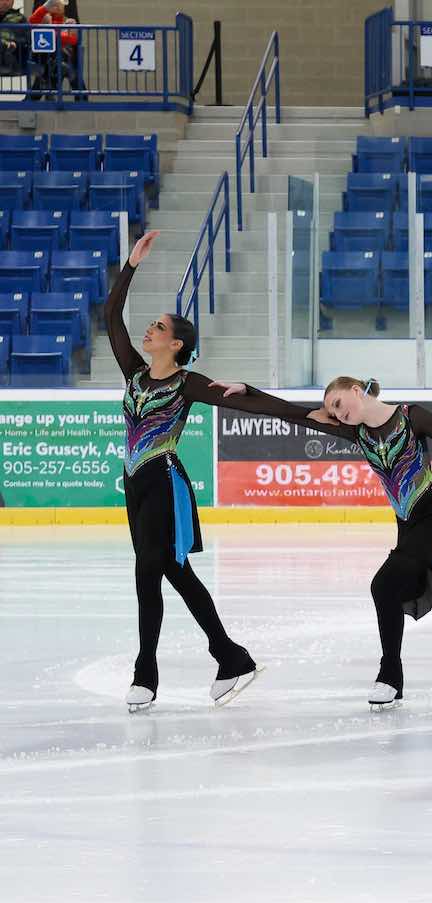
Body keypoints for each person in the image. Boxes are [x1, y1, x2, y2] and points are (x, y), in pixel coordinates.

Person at [209, 376, 432, 710]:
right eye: (333, 410)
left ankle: (390, 675)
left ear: (356, 390)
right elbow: (288, 413)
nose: (339, 413)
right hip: (410, 524)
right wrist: (248, 391)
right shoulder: (357, 434)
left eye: (339, 402)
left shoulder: (410, 416)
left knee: (385, 584)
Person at [108, 232, 287, 713]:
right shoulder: (135, 374)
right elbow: (111, 317)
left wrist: (307, 413)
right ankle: (230, 657)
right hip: (136, 486)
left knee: (149, 571)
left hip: (165, 481)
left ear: (177, 342)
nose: (147, 331)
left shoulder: (189, 384)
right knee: (174, 572)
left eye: (157, 327)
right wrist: (130, 265)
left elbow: (249, 404)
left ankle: (146, 672)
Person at [27, 0, 82, 98]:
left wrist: (55, 33)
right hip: (47, 60)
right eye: (54, 5)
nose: (57, 7)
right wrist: (44, 11)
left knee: (62, 61)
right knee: (52, 63)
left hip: (64, 58)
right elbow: (31, 24)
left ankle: (49, 88)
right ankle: (48, 89)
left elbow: (73, 40)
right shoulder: (45, 20)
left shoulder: (68, 21)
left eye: (60, 5)